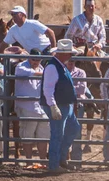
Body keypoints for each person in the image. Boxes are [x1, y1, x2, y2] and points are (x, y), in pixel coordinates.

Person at [40, 38, 81, 172]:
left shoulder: (58, 65)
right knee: (58, 134)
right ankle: (54, 164)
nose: (71, 56)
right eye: (69, 53)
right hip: (59, 105)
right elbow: (48, 89)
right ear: (63, 54)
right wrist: (53, 106)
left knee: (72, 129)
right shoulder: (53, 67)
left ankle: (60, 160)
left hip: (64, 105)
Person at [14, 48, 49, 163]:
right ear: (29, 58)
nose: (36, 61)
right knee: (27, 135)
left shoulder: (41, 68)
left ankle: (42, 161)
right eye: (34, 59)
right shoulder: (21, 66)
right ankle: (29, 161)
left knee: (43, 135)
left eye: (38, 59)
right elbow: (26, 73)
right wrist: (47, 74)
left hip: (41, 107)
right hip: (27, 106)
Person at [65, 57, 87, 163]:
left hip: (77, 104)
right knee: (63, 130)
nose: (71, 61)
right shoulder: (62, 71)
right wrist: (74, 87)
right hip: (65, 103)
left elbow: (82, 89)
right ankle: (64, 158)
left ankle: (76, 160)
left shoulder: (81, 72)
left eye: (73, 60)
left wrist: (65, 88)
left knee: (77, 132)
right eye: (69, 59)